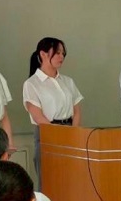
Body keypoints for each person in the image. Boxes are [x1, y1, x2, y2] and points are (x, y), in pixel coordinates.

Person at [23, 37, 84, 187]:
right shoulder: (32, 83)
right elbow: (38, 116)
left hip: (69, 132)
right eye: (57, 53)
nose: (61, 56)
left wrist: (73, 133)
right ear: (43, 54)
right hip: (47, 134)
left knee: (71, 181)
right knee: (49, 182)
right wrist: (58, 135)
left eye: (63, 53)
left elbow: (76, 110)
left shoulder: (67, 81)